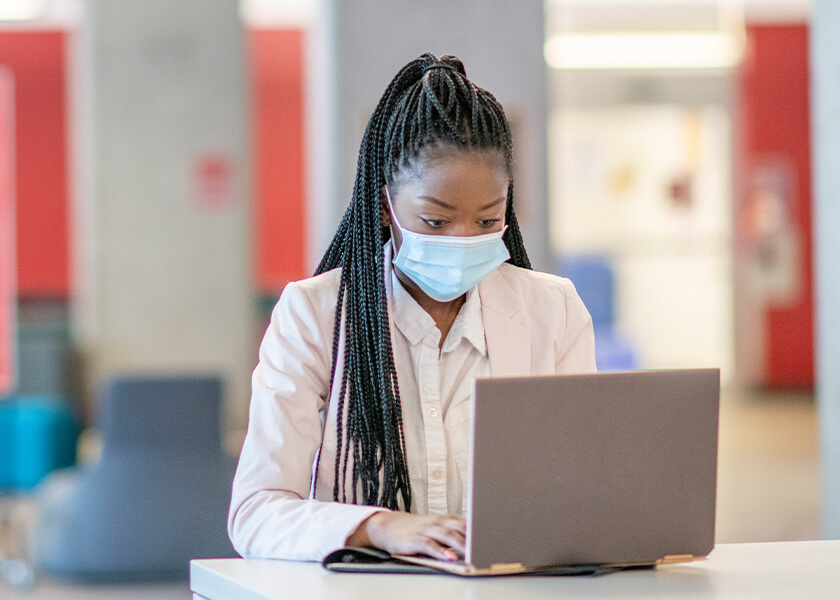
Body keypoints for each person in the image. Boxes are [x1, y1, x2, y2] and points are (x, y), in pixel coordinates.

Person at [228, 53, 596, 563]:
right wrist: (379, 528)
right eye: (436, 221)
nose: (464, 240)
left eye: (487, 221)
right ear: (384, 206)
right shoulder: (313, 315)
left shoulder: (552, 310)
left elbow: (582, 489)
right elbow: (256, 513)